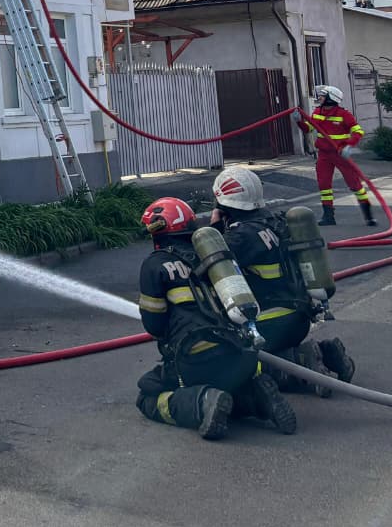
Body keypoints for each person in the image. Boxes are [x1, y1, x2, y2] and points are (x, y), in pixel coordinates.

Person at [134, 196, 297, 439]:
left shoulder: (155, 265)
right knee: (228, 384)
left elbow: (154, 325)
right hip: (240, 354)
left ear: (157, 232)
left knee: (147, 392)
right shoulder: (215, 257)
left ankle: (203, 403)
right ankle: (256, 397)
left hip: (195, 359)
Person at [211, 166, 356, 394]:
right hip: (300, 317)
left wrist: (214, 229)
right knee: (269, 355)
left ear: (223, 204)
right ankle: (326, 352)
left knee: (237, 369)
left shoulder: (238, 238)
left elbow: (209, 267)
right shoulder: (278, 221)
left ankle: (302, 361)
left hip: (265, 326)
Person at [299, 85, 376, 226]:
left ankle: (368, 215)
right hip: (324, 155)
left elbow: (358, 132)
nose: (320, 98)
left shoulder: (343, 114)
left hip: (340, 154)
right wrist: (298, 121)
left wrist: (349, 146)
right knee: (324, 185)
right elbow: (309, 128)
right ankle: (328, 216)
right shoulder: (317, 112)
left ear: (331, 98)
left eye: (323, 96)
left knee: (355, 184)